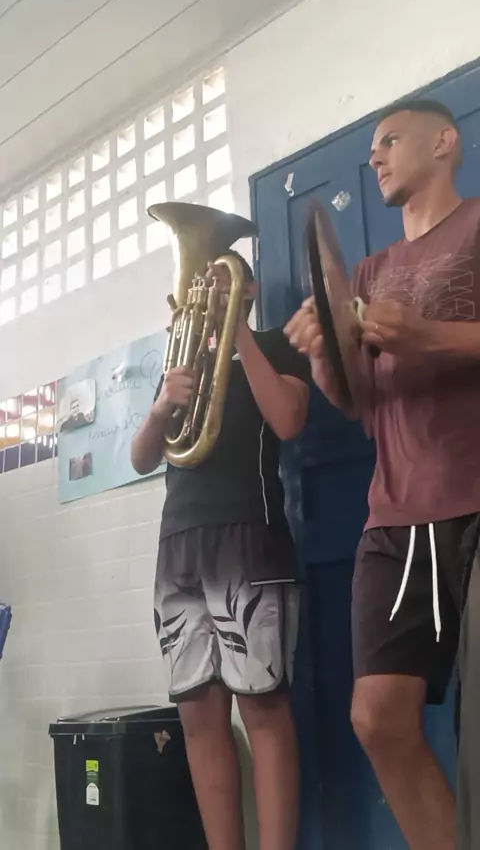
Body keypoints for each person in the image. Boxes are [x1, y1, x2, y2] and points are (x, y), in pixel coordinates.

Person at [285, 99, 480, 850]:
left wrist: (425, 333)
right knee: (377, 718)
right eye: (372, 149)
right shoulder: (367, 273)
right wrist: (323, 359)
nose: (376, 157)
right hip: (396, 517)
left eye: (390, 140)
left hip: (474, 502)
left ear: (445, 141)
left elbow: (430, 343)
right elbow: (360, 403)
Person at [131, 252, 310, 850]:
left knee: (263, 710)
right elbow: (141, 457)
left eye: (219, 280)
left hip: (248, 539)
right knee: (198, 717)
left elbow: (288, 420)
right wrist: (162, 404)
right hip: (178, 548)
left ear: (245, 289)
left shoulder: (276, 347)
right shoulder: (180, 365)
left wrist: (238, 336)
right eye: (201, 280)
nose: (206, 289)